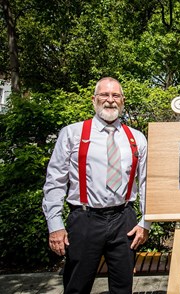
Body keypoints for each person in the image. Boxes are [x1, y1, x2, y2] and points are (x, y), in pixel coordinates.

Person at [42, 77, 150, 293]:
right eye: (104, 95)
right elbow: (55, 181)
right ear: (94, 99)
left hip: (124, 220)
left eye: (115, 95)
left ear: (122, 101)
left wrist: (145, 222)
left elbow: (147, 182)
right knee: (76, 287)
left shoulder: (136, 138)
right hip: (84, 219)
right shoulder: (72, 133)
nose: (110, 100)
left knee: (123, 287)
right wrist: (55, 225)